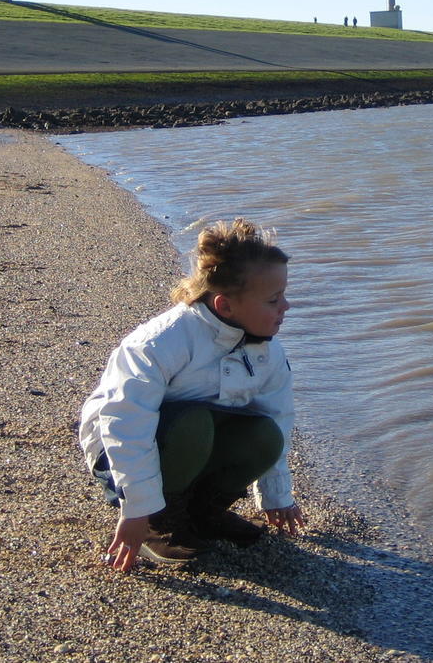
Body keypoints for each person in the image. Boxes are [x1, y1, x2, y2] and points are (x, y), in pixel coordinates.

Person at [78, 218, 305, 571]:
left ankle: (202, 512)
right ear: (225, 306)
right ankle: (160, 521)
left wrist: (277, 496)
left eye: (284, 296)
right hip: (118, 447)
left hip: (193, 441)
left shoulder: (268, 352)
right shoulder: (160, 342)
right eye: (274, 299)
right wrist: (137, 509)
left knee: (264, 434)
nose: (286, 307)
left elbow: (279, 418)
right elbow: (125, 422)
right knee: (193, 423)